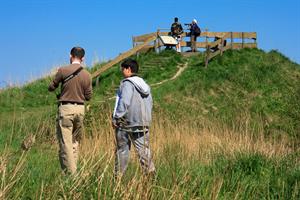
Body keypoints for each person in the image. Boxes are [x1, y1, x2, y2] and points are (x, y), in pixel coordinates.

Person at [48, 47, 92, 175]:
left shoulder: (63, 70)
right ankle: (72, 171)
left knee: (65, 143)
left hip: (66, 109)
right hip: (80, 109)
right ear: (83, 58)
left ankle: (72, 175)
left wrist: (54, 87)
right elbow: (89, 96)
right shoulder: (87, 75)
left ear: (70, 56)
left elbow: (52, 86)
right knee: (74, 142)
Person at [112, 58, 155, 178]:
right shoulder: (145, 85)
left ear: (128, 69)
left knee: (123, 150)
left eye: (123, 69)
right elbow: (151, 103)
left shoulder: (127, 83)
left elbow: (124, 102)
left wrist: (117, 117)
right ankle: (151, 176)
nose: (122, 71)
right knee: (144, 151)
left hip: (126, 123)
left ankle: (118, 178)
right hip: (143, 123)